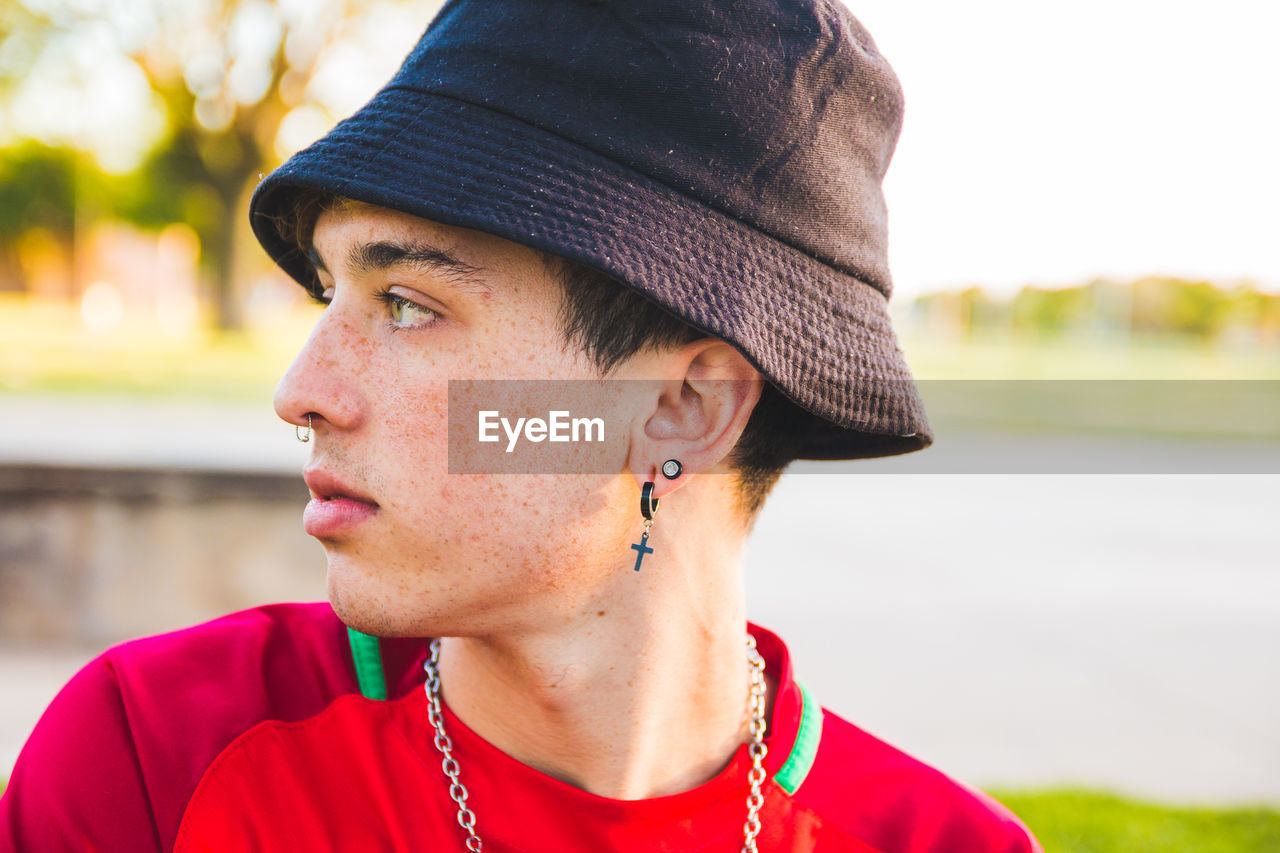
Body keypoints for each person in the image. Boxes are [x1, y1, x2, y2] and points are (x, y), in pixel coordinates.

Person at [1, 1, 1044, 850]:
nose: (303, 389)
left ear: (677, 409)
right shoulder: (157, 760)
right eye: (330, 295)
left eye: (407, 303)